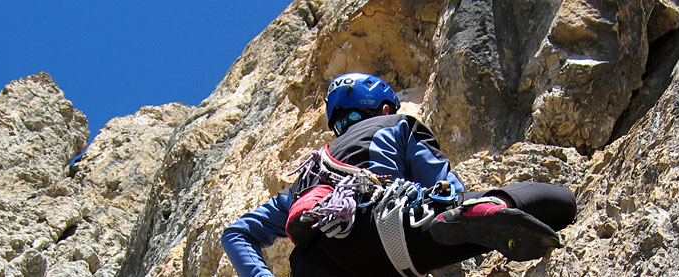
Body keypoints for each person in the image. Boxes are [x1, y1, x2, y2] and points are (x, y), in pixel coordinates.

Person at [221, 73, 577, 276]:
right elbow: (444, 185)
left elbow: (236, 233)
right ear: (386, 106)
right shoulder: (397, 124)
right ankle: (484, 210)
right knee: (558, 202)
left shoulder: (307, 178)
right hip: (391, 235)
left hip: (318, 267)